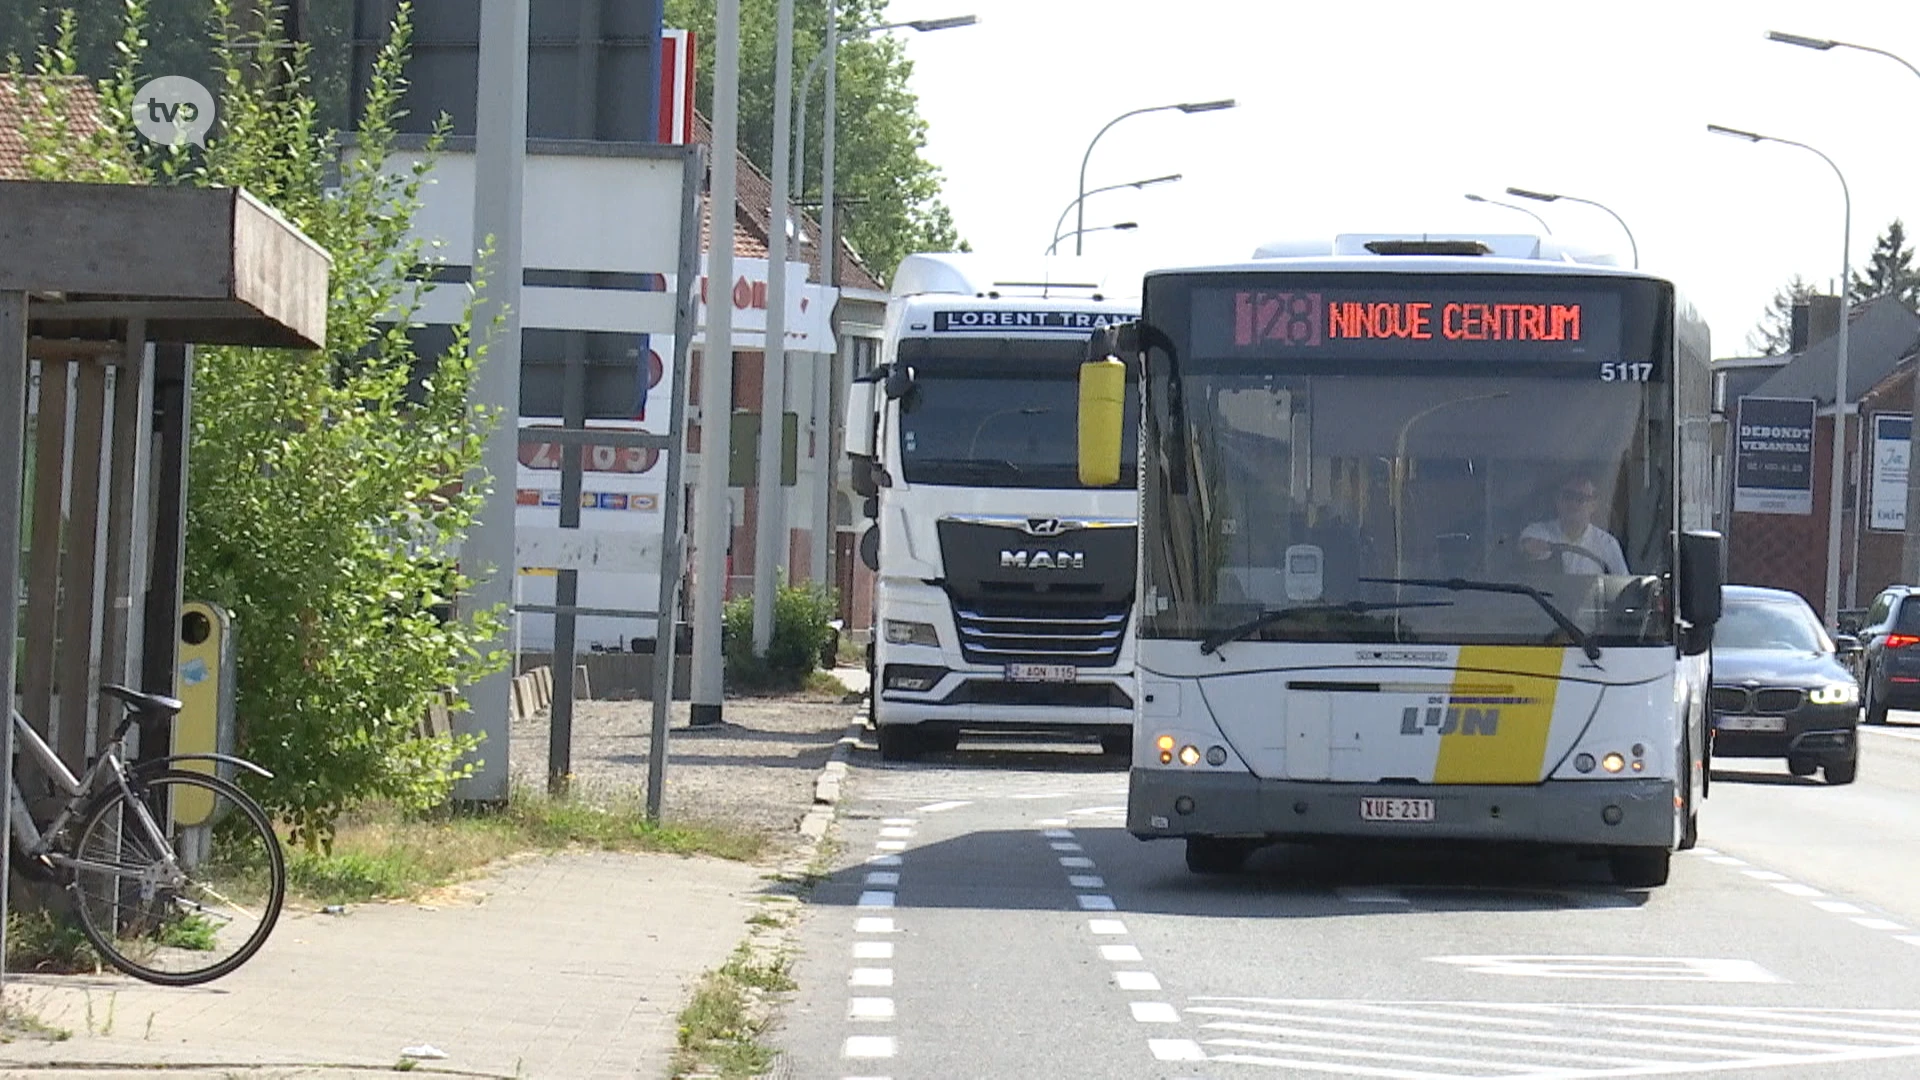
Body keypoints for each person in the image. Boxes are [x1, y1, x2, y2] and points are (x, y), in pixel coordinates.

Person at [1519, 473, 1628, 574]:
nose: (1573, 504)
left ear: (1594, 505)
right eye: (1568, 496)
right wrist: (1528, 551)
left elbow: (1623, 588)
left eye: (1580, 498)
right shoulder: (1536, 533)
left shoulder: (1607, 544)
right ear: (1557, 500)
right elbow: (1521, 559)